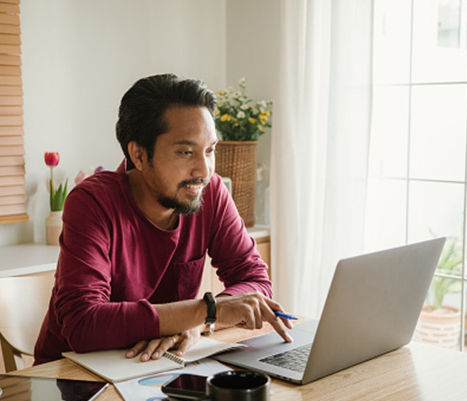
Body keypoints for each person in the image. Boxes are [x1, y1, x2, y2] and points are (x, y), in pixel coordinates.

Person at [34, 74, 293, 365]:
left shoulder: (211, 192)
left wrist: (198, 322)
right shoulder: (92, 203)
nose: (204, 170)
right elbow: (83, 324)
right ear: (139, 155)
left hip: (158, 367)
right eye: (186, 152)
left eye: (210, 151)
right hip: (69, 381)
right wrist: (208, 310)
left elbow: (254, 280)